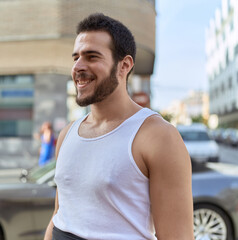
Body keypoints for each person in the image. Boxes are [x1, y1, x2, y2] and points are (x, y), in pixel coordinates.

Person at [44, 13, 194, 240]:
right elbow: (59, 215)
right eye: (75, 57)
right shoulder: (67, 134)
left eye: (92, 56)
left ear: (124, 65)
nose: (78, 66)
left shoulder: (158, 136)